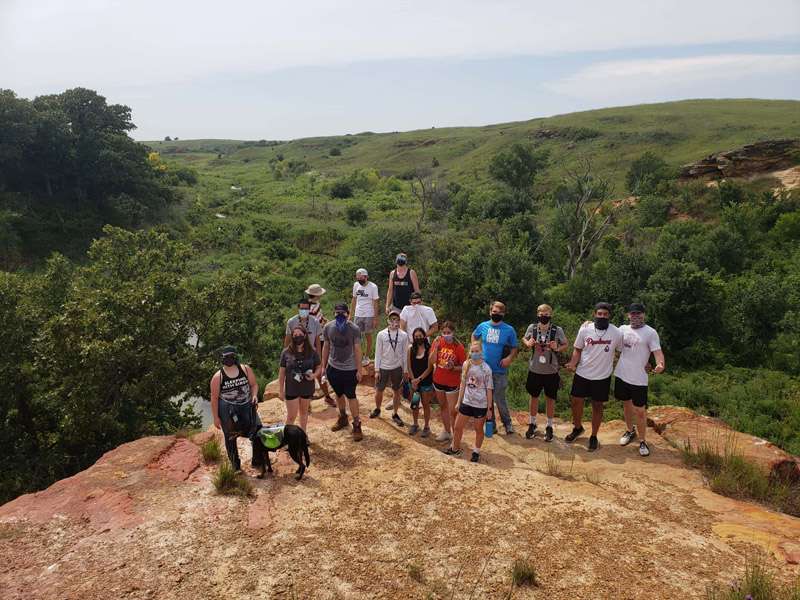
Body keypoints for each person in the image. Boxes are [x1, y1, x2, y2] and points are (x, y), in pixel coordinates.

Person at [564, 302, 624, 451]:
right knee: (576, 401)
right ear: (594, 314)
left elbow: (623, 350)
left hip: (602, 376)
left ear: (609, 316)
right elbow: (577, 349)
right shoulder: (585, 329)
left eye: (605, 314)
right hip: (583, 373)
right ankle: (577, 428)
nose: (602, 316)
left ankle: (594, 436)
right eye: (599, 314)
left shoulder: (616, 333)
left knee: (597, 406)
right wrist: (572, 363)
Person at [614, 302, 665, 457]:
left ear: (644, 315)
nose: (635, 316)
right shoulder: (622, 329)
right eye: (633, 313)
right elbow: (606, 333)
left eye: (639, 313)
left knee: (640, 411)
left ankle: (643, 441)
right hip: (622, 374)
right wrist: (589, 325)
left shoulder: (650, 332)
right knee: (626, 405)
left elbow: (657, 352)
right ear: (628, 315)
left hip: (639, 378)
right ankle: (630, 431)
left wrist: (660, 364)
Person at [210, 346, 266, 475]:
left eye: (231, 356)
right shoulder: (218, 377)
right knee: (230, 437)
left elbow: (254, 385)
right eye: (226, 357)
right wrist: (216, 417)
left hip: (247, 406)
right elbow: (214, 398)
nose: (229, 359)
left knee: (257, 430)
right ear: (222, 359)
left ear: (235, 357)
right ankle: (236, 467)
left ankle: (257, 460)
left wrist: (254, 395)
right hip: (228, 409)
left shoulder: (245, 369)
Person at [442, 339, 494, 463]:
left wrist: (489, 408)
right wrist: (458, 402)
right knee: (457, 426)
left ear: (481, 352)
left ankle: (476, 451)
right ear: (469, 352)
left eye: (477, 351)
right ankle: (455, 448)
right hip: (467, 401)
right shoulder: (466, 364)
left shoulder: (486, 369)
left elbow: (489, 389)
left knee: (478, 429)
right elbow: (463, 384)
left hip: (480, 404)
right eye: (472, 351)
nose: (475, 353)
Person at [522, 304, 568, 442]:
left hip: (551, 370)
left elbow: (566, 344)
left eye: (547, 314)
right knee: (534, 396)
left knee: (550, 398)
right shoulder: (532, 327)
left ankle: (549, 425)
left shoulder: (556, 329)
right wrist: (528, 343)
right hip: (535, 368)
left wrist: (557, 348)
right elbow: (525, 339)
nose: (544, 316)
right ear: (538, 314)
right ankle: (532, 423)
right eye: (542, 313)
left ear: (551, 315)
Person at [472, 301, 518, 435]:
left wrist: (509, 358)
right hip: (484, 369)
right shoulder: (483, 326)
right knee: (487, 399)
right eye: (494, 312)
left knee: (499, 398)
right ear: (490, 312)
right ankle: (491, 424)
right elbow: (474, 336)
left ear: (503, 314)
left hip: (500, 370)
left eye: (499, 312)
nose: (496, 314)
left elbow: (514, 347)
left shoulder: (509, 330)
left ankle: (507, 423)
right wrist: (475, 350)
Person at [322, 303, 364, 441]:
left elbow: (357, 349)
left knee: (351, 396)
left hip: (349, 369)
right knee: (338, 394)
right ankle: (342, 417)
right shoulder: (328, 327)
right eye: (337, 313)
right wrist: (323, 367)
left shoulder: (354, 329)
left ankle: (357, 424)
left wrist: (359, 369)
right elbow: (326, 346)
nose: (340, 316)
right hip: (333, 368)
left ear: (347, 314)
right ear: (334, 313)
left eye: (343, 313)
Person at [278, 325, 322, 433]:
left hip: (306, 387)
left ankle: (303, 435)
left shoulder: (312, 351)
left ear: (305, 335)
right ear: (292, 337)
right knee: (291, 416)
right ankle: (287, 438)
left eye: (300, 334)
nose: (297, 337)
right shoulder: (286, 352)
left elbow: (319, 366)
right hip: (292, 389)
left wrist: (314, 375)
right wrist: (280, 390)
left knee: (304, 413)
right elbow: (282, 372)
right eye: (295, 335)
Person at [369, 310, 410, 426]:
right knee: (379, 389)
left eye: (397, 319)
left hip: (397, 367)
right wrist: (377, 370)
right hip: (383, 367)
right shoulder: (381, 334)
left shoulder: (403, 335)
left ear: (399, 320)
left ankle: (395, 413)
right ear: (388, 320)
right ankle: (377, 409)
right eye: (392, 319)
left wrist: (405, 370)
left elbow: (404, 354)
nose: (394, 322)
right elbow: (378, 353)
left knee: (397, 391)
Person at [429, 322, 466, 442]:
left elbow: (465, 366)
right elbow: (431, 361)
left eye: (448, 333)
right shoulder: (437, 342)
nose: (446, 335)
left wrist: (453, 368)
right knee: (443, 406)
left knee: (453, 410)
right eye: (444, 333)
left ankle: (456, 436)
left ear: (453, 332)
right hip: (438, 379)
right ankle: (446, 431)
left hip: (452, 382)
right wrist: (436, 348)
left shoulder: (458, 347)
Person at [304, 284, 334, 405]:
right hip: (317, 340)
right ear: (317, 295)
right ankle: (326, 396)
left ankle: (308, 398)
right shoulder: (314, 307)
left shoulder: (305, 306)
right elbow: (315, 324)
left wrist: (324, 320)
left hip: (308, 341)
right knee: (320, 368)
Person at [407, 327, 434, 436]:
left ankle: (426, 426)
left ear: (424, 336)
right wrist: (413, 380)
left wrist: (419, 379)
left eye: (420, 336)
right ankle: (415, 424)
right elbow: (409, 366)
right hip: (414, 383)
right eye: (416, 336)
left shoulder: (429, 349)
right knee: (415, 404)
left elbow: (430, 368)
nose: (418, 338)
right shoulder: (410, 349)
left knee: (426, 404)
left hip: (425, 382)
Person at [351, 268, 380, 366]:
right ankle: (359, 355)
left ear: (366, 276)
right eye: (357, 278)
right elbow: (354, 299)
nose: (359, 280)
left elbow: (376, 303)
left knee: (368, 336)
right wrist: (351, 314)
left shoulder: (373, 287)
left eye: (361, 278)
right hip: (358, 314)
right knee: (357, 337)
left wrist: (375, 318)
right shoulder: (356, 285)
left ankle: (367, 356)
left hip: (369, 315)